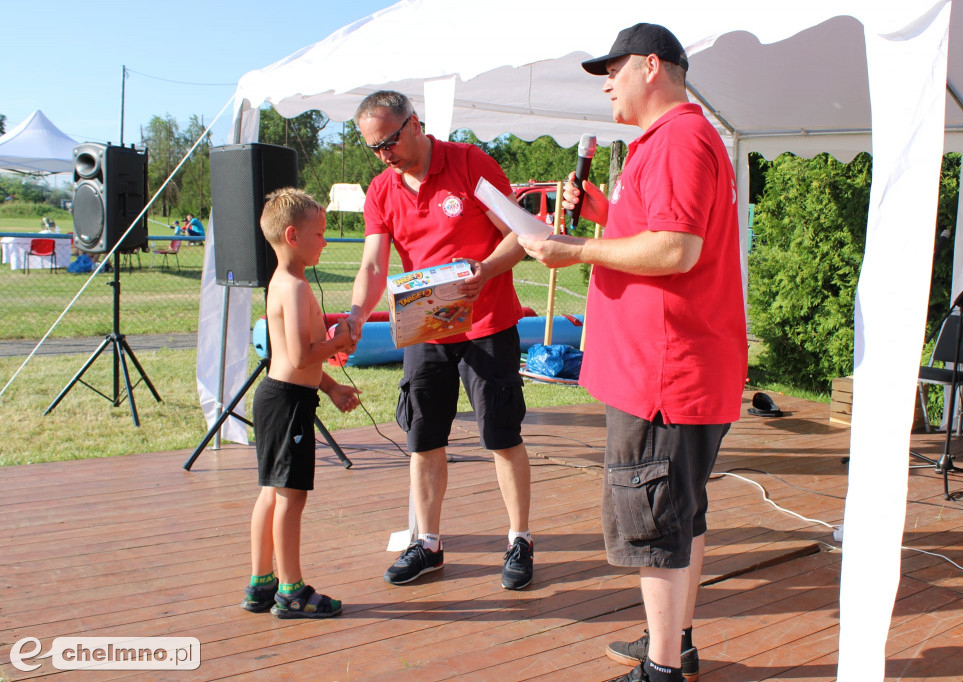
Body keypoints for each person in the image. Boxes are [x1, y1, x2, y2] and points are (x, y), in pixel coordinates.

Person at [518, 24, 747, 682]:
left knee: (655, 525)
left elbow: (676, 249)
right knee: (679, 516)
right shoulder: (678, 140)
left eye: (613, 70)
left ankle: (663, 669)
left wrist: (577, 250)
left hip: (664, 375)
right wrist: (599, 211)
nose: (607, 83)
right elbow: (658, 230)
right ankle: (674, 642)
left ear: (652, 67)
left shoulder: (677, 140)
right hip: (675, 368)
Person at [347, 90, 534, 590]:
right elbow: (372, 265)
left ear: (414, 124)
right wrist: (355, 314)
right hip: (425, 330)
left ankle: (520, 539)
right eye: (374, 148)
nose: (384, 154)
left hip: (488, 323)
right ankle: (427, 544)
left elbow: (520, 235)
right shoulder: (382, 189)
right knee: (423, 438)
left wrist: (487, 269)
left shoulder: (470, 163)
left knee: (502, 434)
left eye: (389, 141)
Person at [241, 187, 361, 619]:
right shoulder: (291, 287)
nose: (325, 241)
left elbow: (290, 360)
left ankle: (261, 584)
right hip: (287, 403)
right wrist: (342, 339)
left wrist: (328, 386)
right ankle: (291, 590)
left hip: (283, 397)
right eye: (320, 233)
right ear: (293, 236)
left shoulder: (290, 282)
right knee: (291, 498)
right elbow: (299, 356)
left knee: (272, 494)